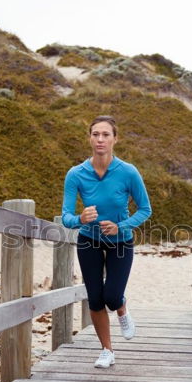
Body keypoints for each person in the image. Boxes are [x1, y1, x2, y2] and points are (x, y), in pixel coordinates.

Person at [61, 115, 152, 368]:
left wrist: (120, 226)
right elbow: (66, 216)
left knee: (112, 296)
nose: (100, 139)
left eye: (105, 135)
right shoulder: (76, 174)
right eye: (95, 134)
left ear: (115, 139)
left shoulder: (128, 172)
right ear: (89, 138)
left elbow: (145, 209)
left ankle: (121, 308)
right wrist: (79, 217)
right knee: (95, 298)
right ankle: (107, 351)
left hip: (120, 240)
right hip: (89, 239)